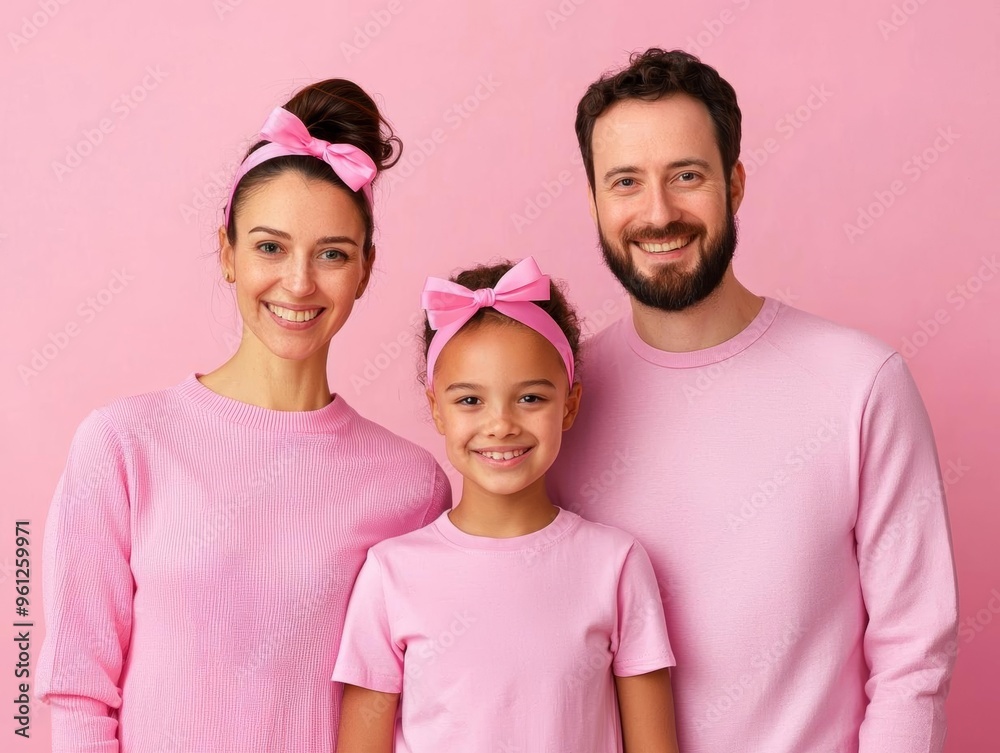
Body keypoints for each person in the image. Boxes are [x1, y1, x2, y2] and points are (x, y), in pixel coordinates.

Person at [547, 48, 959, 753]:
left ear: (734, 185)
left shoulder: (861, 384)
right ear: (594, 201)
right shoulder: (552, 403)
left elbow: (913, 658)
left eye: (687, 175)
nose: (658, 213)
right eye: (625, 181)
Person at [36, 79, 451, 752]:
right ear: (227, 251)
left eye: (333, 254)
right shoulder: (122, 444)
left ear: (366, 270)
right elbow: (80, 692)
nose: (298, 282)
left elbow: (416, 708)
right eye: (269, 246)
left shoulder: (413, 486)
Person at [332, 257, 680, 752]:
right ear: (436, 408)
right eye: (470, 401)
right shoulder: (392, 576)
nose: (501, 425)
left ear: (570, 404)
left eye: (531, 398)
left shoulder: (616, 565)